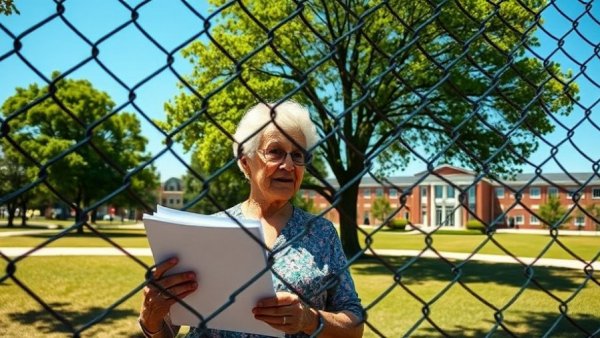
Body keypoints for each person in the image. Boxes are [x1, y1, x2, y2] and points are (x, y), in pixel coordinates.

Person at [138, 101, 364, 337]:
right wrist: (151, 322)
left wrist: (309, 319)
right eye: (275, 151)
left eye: (298, 155)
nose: (288, 165)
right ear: (246, 161)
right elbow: (168, 331)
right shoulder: (208, 232)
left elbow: (355, 326)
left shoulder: (321, 233)